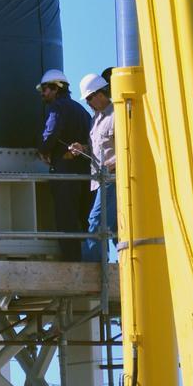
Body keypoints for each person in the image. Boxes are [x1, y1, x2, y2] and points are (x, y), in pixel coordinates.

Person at [36, 69, 92, 261]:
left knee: (66, 218)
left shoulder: (57, 108)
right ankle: (92, 259)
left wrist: (43, 149)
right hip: (87, 175)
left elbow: (50, 134)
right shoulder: (83, 111)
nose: (42, 93)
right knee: (86, 218)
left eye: (44, 89)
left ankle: (73, 261)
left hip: (66, 175)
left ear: (55, 88)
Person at [71, 73, 117, 262]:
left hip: (113, 178)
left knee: (96, 222)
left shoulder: (117, 115)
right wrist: (82, 148)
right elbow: (99, 148)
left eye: (89, 98)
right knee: (114, 227)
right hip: (100, 180)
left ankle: (91, 269)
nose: (88, 102)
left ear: (101, 94)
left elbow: (129, 146)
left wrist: (113, 163)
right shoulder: (96, 119)